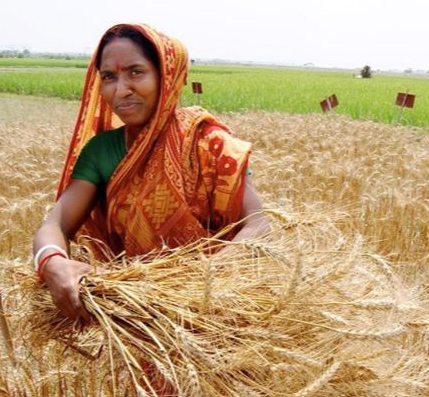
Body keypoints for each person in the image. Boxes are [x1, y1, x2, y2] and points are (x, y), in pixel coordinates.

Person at [33, 23, 269, 322]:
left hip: (217, 314)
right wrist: (52, 262)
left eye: (135, 72)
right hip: (140, 320)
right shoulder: (102, 152)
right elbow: (56, 225)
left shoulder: (208, 143)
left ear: (166, 77)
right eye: (109, 77)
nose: (120, 90)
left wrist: (195, 286)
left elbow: (258, 225)